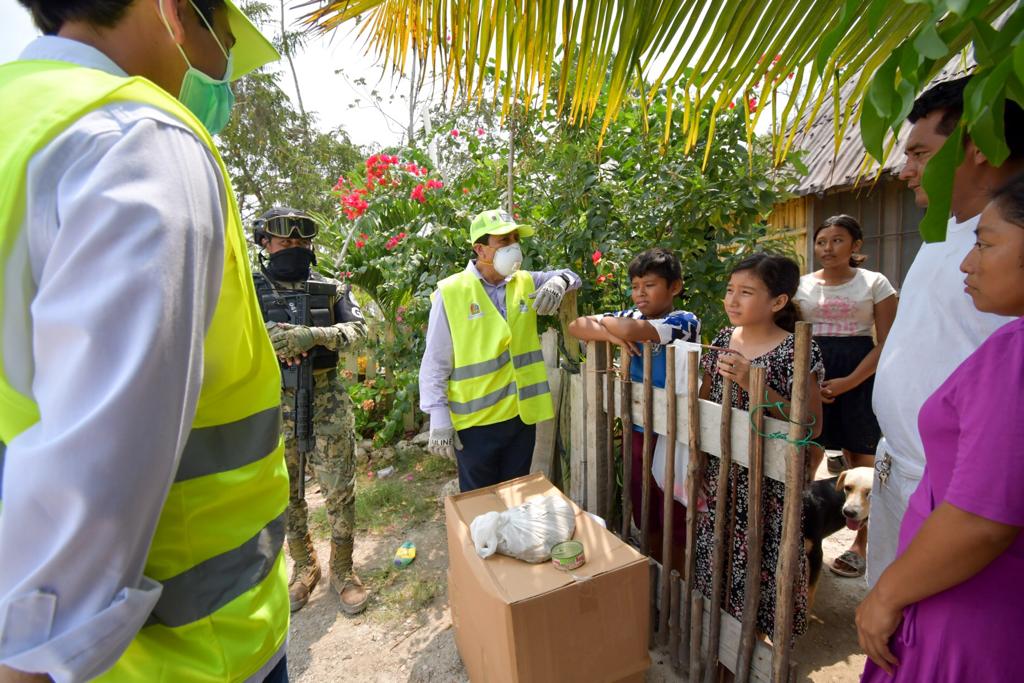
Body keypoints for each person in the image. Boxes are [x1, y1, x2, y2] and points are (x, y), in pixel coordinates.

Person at [0, 2, 290, 682]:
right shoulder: (137, 140)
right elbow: (97, 471)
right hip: (191, 653)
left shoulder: (24, 123)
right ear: (173, 12)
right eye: (223, 40)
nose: (223, 75)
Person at [857, 174, 1024, 682]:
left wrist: (887, 594)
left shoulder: (1016, 356)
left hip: (967, 605)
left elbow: (982, 518)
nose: (968, 263)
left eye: (985, 244)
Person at [867, 75, 1022, 587]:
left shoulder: (1012, 245)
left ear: (974, 147)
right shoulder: (943, 230)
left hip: (961, 497)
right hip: (901, 469)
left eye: (920, 153)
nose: (906, 170)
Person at [695, 253, 825, 639]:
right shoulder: (722, 340)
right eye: (730, 290)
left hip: (769, 488)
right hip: (721, 477)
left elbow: (812, 426)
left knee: (760, 566)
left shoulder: (796, 351)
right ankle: (723, 643)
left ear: (778, 302)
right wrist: (700, 457)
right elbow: (706, 402)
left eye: (746, 292)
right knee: (718, 559)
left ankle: (755, 643)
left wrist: (756, 384)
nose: (732, 300)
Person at [252, 207, 369, 615]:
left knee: (339, 488)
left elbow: (358, 329)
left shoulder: (330, 288)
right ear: (265, 244)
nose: (296, 248)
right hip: (272, 402)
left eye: (302, 242)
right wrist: (260, 338)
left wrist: (314, 334)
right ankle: (305, 566)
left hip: (327, 400)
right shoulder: (248, 291)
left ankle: (342, 569)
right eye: (286, 242)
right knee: (286, 493)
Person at [420, 209, 581, 492]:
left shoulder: (525, 281)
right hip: (475, 425)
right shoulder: (452, 293)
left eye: (516, 239)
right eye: (504, 241)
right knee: (480, 503)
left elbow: (571, 276)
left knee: (514, 498)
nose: (514, 247)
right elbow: (435, 361)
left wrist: (560, 281)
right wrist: (438, 416)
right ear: (480, 249)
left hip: (521, 418)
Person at [568, 247, 700, 569]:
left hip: (674, 432)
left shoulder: (683, 321)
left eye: (649, 285)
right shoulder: (632, 315)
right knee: (645, 503)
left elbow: (630, 330)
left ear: (675, 287)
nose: (639, 294)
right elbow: (576, 325)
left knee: (675, 505)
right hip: (638, 426)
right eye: (635, 286)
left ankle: (679, 574)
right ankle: (654, 567)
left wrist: (612, 328)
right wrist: (611, 338)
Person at [794, 215, 897, 579]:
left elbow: (886, 341)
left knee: (865, 466)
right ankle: (798, 535)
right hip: (811, 373)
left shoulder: (875, 283)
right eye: (821, 241)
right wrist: (812, 384)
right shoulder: (800, 285)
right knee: (805, 457)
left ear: (855, 246)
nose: (827, 248)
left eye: (837, 241)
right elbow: (791, 336)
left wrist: (849, 381)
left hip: (860, 373)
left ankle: (860, 546)